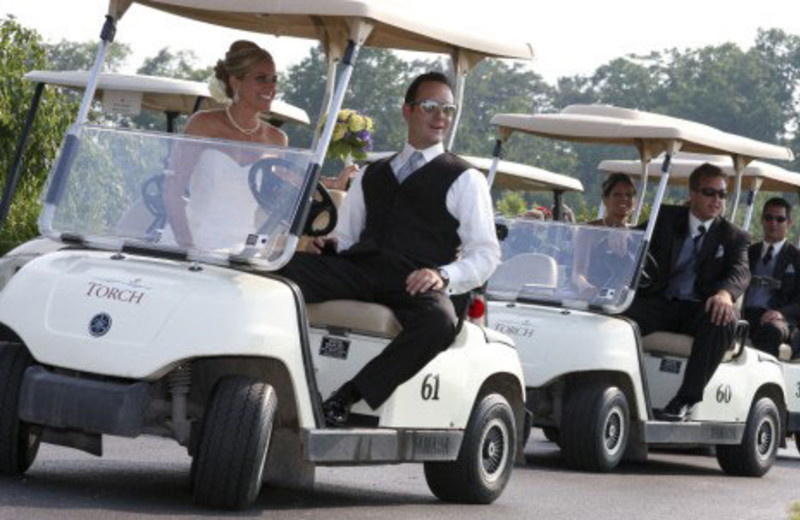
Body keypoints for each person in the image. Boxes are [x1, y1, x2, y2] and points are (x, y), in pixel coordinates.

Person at [279, 71, 501, 427]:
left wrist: (442, 275)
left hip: (416, 279)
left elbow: (486, 254)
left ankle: (350, 395)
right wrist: (329, 244)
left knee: (440, 322)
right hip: (363, 268)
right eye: (430, 106)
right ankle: (278, 377)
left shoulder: (465, 178)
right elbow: (347, 237)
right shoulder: (372, 173)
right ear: (407, 111)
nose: (441, 115)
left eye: (448, 108)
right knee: (279, 271)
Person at [624, 163, 750, 421]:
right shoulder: (665, 218)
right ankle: (615, 387)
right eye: (709, 192)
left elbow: (740, 272)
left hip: (700, 308)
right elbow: (633, 242)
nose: (717, 200)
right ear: (692, 194)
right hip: (662, 302)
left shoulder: (733, 236)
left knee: (725, 319)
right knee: (619, 313)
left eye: (722, 194)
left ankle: (685, 399)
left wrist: (725, 294)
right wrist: (620, 239)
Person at [164, 40, 287, 248]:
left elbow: (275, 204)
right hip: (190, 240)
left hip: (243, 250)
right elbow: (172, 192)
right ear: (235, 82)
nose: (271, 87)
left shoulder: (278, 139)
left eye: (274, 79)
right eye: (261, 78)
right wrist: (187, 247)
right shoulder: (203, 124)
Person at [743, 197, 800, 358]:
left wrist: (780, 313)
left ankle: (761, 380)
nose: (773, 223)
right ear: (762, 220)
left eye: (780, 219)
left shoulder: (796, 258)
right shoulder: (748, 253)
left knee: (771, 331)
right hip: (745, 314)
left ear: (789, 223)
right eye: (768, 218)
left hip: (779, 320)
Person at [573, 174, 637, 295]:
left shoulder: (637, 234)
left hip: (623, 298)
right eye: (617, 194)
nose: (624, 198)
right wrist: (585, 287)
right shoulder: (588, 230)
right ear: (605, 199)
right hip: (594, 293)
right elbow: (578, 272)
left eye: (629, 195)